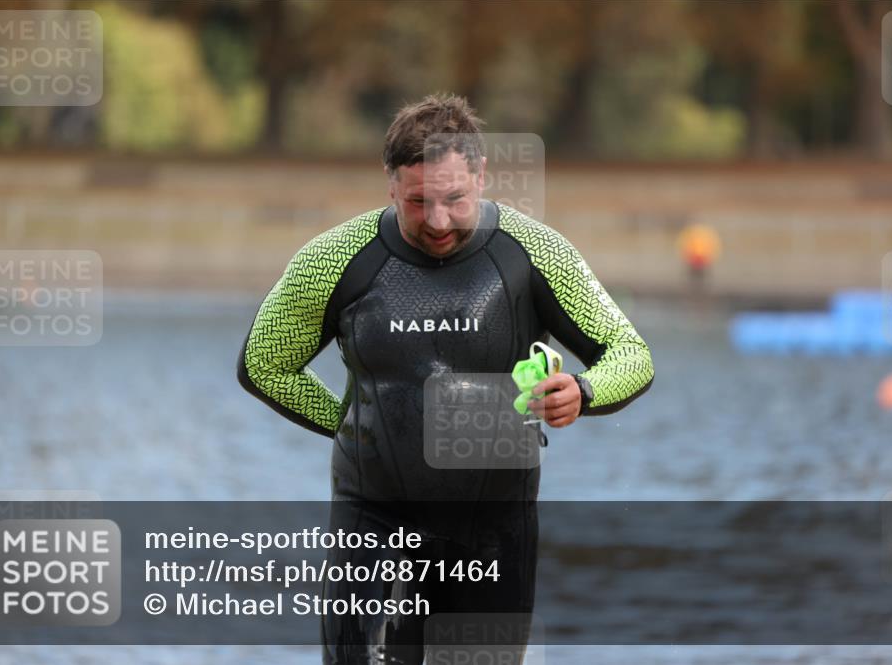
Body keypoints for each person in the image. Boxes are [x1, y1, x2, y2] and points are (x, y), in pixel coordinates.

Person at [238, 93, 654, 665]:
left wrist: (584, 391)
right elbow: (265, 363)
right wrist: (353, 427)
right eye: (418, 202)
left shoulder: (534, 253)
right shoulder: (334, 259)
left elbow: (630, 354)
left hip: (493, 525)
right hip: (375, 516)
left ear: (481, 176)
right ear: (390, 185)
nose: (437, 222)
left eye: (454, 200)